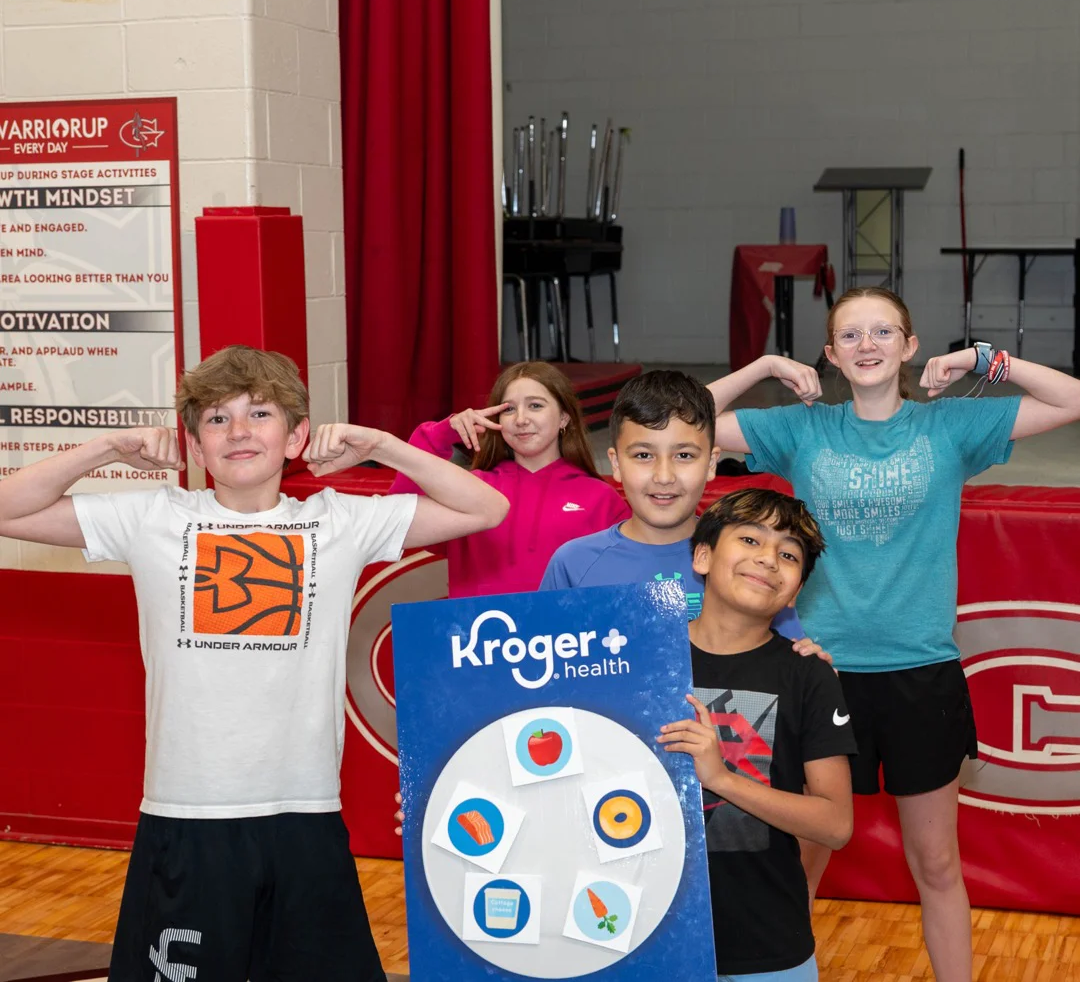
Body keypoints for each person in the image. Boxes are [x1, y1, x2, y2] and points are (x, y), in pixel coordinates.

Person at [0, 345, 509, 982]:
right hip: (189, 814)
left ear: (296, 436)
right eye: (217, 419)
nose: (239, 431)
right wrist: (106, 448)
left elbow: (487, 508)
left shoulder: (339, 520)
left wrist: (381, 445)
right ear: (194, 443)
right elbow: (7, 508)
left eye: (260, 414)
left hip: (305, 812)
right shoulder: (152, 516)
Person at [706, 286, 1080, 982]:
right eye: (850, 335)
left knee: (936, 862)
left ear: (910, 346)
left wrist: (985, 359)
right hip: (821, 673)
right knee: (800, 859)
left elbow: (1072, 399)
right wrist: (763, 366)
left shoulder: (949, 426)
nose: (868, 345)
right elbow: (681, 421)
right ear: (830, 354)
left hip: (921, 674)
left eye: (883, 332)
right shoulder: (804, 429)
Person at [658, 489, 855, 982]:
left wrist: (722, 779)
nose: (768, 558)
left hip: (766, 945)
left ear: (796, 591)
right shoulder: (645, 658)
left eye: (789, 555)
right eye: (750, 539)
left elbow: (836, 824)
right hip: (646, 935)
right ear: (702, 557)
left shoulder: (810, 676)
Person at [540, 369, 805, 640]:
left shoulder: (749, 565)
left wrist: (807, 659)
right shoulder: (573, 564)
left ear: (711, 463)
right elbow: (544, 659)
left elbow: (786, 655)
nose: (664, 476)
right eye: (643, 455)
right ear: (616, 464)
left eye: (684, 455)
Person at [389, 360, 628, 597]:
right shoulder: (469, 488)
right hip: (480, 623)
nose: (521, 419)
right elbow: (397, 523)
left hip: (568, 623)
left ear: (564, 417)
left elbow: (626, 582)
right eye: (509, 409)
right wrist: (439, 435)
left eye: (535, 406)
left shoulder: (600, 497)